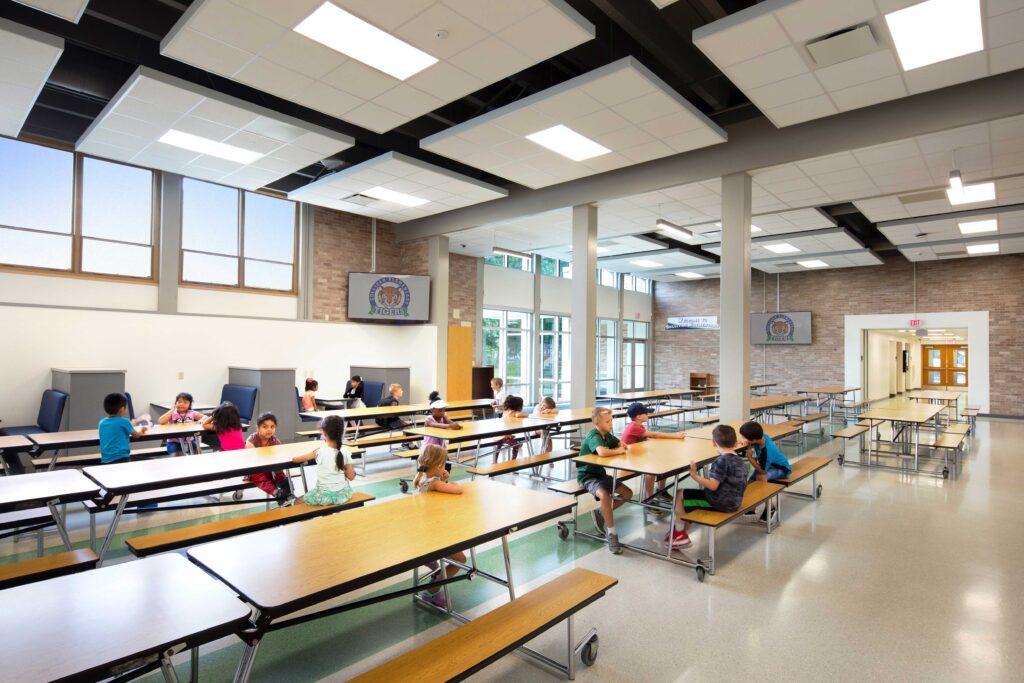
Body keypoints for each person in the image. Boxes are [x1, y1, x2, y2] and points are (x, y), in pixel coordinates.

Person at [669, 424, 749, 549]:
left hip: (720, 503)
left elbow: (712, 486)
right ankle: (681, 531)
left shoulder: (721, 461)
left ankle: (679, 535)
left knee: (680, 494)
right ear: (735, 442)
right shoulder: (739, 460)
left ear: (713, 442)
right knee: (691, 498)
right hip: (735, 501)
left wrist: (695, 476)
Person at [413, 444, 466, 608]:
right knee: (461, 560)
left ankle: (431, 562)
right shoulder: (434, 483)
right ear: (439, 466)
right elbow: (458, 490)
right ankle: (432, 591)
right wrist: (449, 481)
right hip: (434, 535)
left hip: (426, 529)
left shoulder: (422, 479)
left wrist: (442, 478)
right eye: (444, 464)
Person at [576, 406, 633, 555]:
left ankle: (601, 513)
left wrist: (621, 445)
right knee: (605, 496)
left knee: (628, 493)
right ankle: (612, 533)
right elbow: (601, 452)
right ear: (597, 422)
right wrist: (618, 451)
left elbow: (619, 442)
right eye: (607, 421)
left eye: (611, 421)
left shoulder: (606, 435)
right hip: (587, 476)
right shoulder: (594, 435)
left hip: (600, 474)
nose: (611, 424)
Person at [620, 402, 686, 505]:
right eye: (646, 413)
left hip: (636, 454)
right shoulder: (634, 427)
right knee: (651, 470)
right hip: (629, 458)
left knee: (664, 463)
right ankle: (649, 499)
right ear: (638, 416)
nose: (648, 415)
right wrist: (676, 435)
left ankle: (661, 491)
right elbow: (655, 434)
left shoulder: (639, 426)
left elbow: (646, 439)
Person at [292, 415, 355, 506]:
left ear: (324, 433)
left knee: (296, 502)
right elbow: (351, 477)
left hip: (323, 496)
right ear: (341, 433)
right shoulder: (345, 453)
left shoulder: (319, 451)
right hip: (342, 495)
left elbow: (295, 459)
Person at [738, 420, 791, 522]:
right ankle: (752, 508)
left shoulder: (767, 450)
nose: (743, 439)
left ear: (753, 439)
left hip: (781, 469)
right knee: (749, 484)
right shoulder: (762, 437)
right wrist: (745, 443)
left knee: (760, 477)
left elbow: (762, 471)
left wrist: (749, 457)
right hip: (768, 465)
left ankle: (770, 507)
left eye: (744, 437)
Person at [245, 412, 293, 505]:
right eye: (265, 426)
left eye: (272, 427)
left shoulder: (275, 440)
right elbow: (252, 463)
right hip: (255, 469)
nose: (269, 430)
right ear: (258, 428)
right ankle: (277, 493)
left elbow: (279, 458)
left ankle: (287, 492)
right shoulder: (251, 441)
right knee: (259, 475)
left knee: (280, 472)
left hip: (271, 467)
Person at [99, 392, 148, 464]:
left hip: (105, 460)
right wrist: (142, 431)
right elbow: (136, 435)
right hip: (122, 459)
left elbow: (116, 427)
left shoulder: (102, 422)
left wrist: (130, 425)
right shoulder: (124, 421)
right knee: (147, 461)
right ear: (122, 409)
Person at [157, 391, 208, 456]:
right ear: (175, 403)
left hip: (190, 441)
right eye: (179, 402)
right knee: (176, 456)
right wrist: (172, 410)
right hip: (174, 441)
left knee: (197, 453)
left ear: (189, 404)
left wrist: (201, 420)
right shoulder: (172, 413)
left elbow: (205, 417)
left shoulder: (191, 413)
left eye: (185, 402)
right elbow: (160, 421)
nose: (181, 404)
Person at [495, 395, 528, 460]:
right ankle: (513, 461)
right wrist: (527, 414)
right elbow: (518, 415)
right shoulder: (514, 412)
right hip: (506, 437)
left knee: (499, 445)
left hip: (499, 435)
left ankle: (495, 460)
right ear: (518, 406)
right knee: (516, 446)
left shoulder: (505, 411)